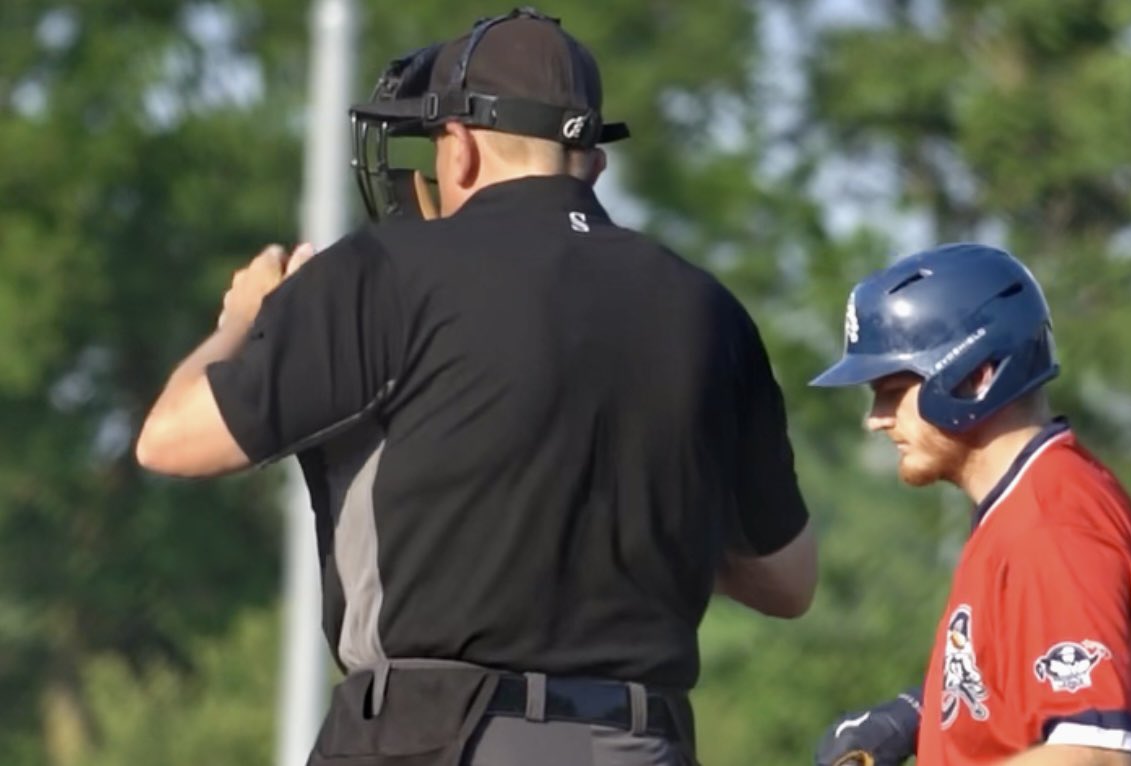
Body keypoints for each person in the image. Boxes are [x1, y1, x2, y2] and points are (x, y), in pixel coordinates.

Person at [135, 7, 817, 766]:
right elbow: (789, 582)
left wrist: (242, 322)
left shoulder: (386, 271)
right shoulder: (708, 309)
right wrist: (617, 506)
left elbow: (171, 439)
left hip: (435, 736)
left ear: (457, 149)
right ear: (593, 160)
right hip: (637, 740)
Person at [810, 243, 1131, 766]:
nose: (876, 418)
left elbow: (1094, 754)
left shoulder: (1050, 523)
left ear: (976, 376)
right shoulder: (1030, 500)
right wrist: (917, 714)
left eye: (892, 390)